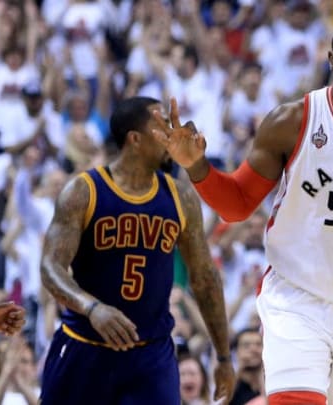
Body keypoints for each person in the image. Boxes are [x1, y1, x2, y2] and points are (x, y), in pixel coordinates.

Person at [154, 13, 333, 405]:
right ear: (331, 58)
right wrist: (197, 166)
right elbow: (238, 205)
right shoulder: (292, 122)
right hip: (298, 296)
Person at [38, 96, 236, 404]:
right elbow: (50, 268)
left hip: (151, 355)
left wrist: (223, 357)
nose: (173, 135)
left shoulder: (181, 197)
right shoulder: (83, 191)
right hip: (85, 345)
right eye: (163, 127)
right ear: (135, 139)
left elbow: (205, 277)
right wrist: (92, 308)